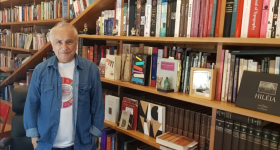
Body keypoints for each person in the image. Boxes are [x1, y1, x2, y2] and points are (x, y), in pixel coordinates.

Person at [23, 21, 104, 150]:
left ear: (76, 43)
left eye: (69, 41)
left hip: (81, 144)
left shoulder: (91, 69)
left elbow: (97, 105)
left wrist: (94, 135)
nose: (64, 47)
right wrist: (34, 138)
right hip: (47, 144)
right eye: (59, 42)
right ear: (52, 45)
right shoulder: (40, 70)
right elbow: (32, 104)